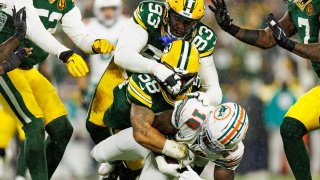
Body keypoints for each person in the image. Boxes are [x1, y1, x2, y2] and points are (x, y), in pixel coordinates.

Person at [0, 0, 114, 179]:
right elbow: (33, 27)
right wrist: (65, 54)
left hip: (29, 69)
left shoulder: (64, 4)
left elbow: (80, 34)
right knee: (34, 124)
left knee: (62, 129)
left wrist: (93, 43)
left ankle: (37, 177)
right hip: (5, 68)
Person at [210, 0, 320, 179]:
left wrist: (290, 45)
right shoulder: (297, 7)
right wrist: (230, 28)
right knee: (290, 128)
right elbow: (268, 38)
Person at [92, 98, 249, 180]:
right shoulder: (192, 113)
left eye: (214, 146)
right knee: (100, 153)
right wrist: (164, 157)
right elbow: (151, 130)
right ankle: (116, 163)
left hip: (177, 166)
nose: (205, 144)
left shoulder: (232, 154)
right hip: (155, 142)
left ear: (229, 147)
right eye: (207, 135)